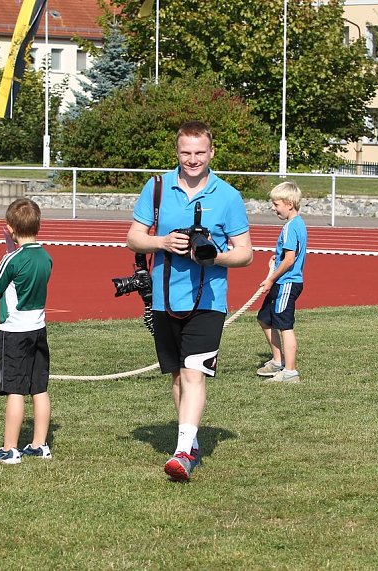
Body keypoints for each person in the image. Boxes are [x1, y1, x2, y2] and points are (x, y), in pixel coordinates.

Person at [126, 121, 253, 482]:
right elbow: (134, 238)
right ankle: (191, 441)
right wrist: (163, 242)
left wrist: (213, 257)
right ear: (177, 152)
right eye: (186, 152)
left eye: (200, 152)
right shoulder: (156, 187)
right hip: (165, 299)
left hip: (208, 301)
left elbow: (245, 253)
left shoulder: (227, 196)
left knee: (194, 372)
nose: (193, 159)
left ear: (212, 152)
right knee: (178, 376)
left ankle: (182, 452)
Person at [0, 198, 53, 464]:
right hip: (38, 327)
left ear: (10, 228)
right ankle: (40, 444)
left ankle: (10, 448)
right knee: (39, 387)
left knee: (14, 389)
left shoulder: (10, 259)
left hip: (13, 331)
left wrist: (9, 253)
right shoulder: (45, 256)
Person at [256, 181, 307, 384]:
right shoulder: (297, 224)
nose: (273, 208)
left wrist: (270, 278)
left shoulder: (290, 227)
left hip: (287, 283)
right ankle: (278, 361)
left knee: (285, 326)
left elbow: (289, 259)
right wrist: (276, 261)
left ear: (289, 204)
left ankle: (290, 372)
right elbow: (286, 256)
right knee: (264, 318)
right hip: (282, 281)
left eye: (276, 204)